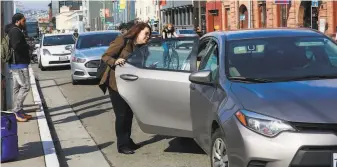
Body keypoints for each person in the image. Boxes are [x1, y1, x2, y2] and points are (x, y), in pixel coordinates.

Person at [99, 22, 152, 154]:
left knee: (129, 114)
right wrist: (115, 61)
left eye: (149, 34)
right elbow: (105, 56)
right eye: (146, 33)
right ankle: (122, 145)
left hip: (131, 83)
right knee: (121, 115)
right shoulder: (123, 40)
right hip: (116, 83)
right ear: (137, 31)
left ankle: (127, 140)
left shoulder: (142, 47)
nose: (148, 36)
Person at [5, 13, 32, 122]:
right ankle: (16, 110)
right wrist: (27, 46)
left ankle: (19, 111)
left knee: (17, 88)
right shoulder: (15, 31)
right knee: (25, 86)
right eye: (23, 21)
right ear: (17, 21)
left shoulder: (12, 30)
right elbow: (16, 46)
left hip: (15, 64)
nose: (24, 23)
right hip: (19, 64)